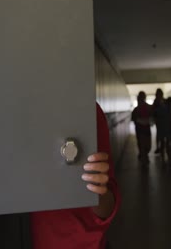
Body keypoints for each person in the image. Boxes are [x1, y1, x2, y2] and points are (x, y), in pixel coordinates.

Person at [31, 104, 120, 249]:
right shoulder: (26, 110)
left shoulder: (88, 108)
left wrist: (96, 193)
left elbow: (108, 206)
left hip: (84, 242)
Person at [132, 91, 152, 163]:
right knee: (142, 145)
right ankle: (144, 159)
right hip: (140, 130)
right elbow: (134, 119)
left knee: (148, 146)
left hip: (146, 130)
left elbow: (152, 117)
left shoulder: (148, 107)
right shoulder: (136, 109)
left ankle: (144, 155)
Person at [153, 95, 171, 164]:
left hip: (165, 127)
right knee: (164, 144)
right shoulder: (160, 109)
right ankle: (165, 158)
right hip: (163, 128)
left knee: (166, 144)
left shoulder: (165, 108)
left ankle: (166, 158)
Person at [152, 88, 164, 154]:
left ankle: (160, 147)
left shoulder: (161, 101)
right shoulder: (156, 102)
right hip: (159, 121)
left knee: (160, 135)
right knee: (159, 134)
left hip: (162, 121)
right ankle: (159, 147)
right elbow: (153, 111)